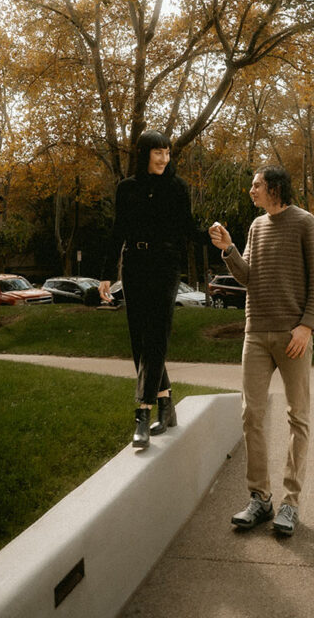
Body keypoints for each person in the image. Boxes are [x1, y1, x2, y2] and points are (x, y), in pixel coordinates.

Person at [209, 165, 314, 538]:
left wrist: (307, 326)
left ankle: (290, 502)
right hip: (256, 333)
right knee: (251, 415)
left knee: (298, 417)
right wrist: (228, 249)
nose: (251, 190)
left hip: (293, 335)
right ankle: (260, 498)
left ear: (275, 188)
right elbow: (248, 277)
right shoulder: (257, 227)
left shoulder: (305, 223)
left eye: (256, 185)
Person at [99, 130, 204, 450]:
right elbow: (118, 232)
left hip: (166, 264)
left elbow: (187, 228)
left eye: (167, 152)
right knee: (139, 339)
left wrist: (211, 237)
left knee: (156, 335)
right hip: (134, 264)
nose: (163, 158)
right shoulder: (127, 189)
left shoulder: (177, 188)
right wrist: (106, 275)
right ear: (144, 154)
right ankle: (166, 404)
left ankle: (142, 414)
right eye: (157, 152)